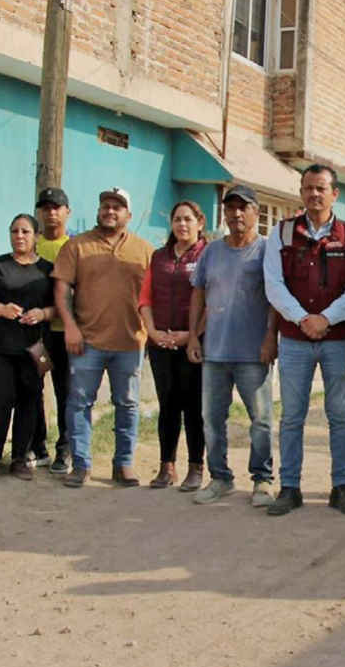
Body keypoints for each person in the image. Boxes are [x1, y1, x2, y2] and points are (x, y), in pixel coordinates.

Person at [263, 165, 345, 516]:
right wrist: (302, 319)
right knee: (292, 416)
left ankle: (341, 487)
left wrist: (326, 318)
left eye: (321, 188)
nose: (314, 194)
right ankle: (289, 487)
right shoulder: (282, 232)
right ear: (301, 192)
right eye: (308, 188)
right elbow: (273, 283)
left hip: (338, 339)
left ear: (334, 194)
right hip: (295, 340)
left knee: (340, 415)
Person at [52, 187, 153, 488]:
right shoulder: (77, 246)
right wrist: (70, 326)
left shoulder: (145, 250)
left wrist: (151, 332)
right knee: (79, 403)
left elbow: (153, 296)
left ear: (128, 215)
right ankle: (81, 464)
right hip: (87, 341)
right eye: (105, 206)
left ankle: (124, 463)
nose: (110, 211)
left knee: (128, 404)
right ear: (98, 211)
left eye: (117, 207)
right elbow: (61, 290)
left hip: (130, 342)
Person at [188, 185, 278, 507]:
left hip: (254, 353)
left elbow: (275, 298)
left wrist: (271, 336)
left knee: (261, 420)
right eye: (230, 208)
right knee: (212, 419)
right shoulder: (211, 252)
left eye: (243, 207)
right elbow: (198, 292)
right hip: (215, 352)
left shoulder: (267, 251)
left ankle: (262, 480)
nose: (236, 213)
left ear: (256, 212)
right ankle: (220, 478)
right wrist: (192, 336)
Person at [0, 215, 55, 481]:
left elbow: (59, 307)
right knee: (2, 400)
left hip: (32, 349)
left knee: (29, 400)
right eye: (14, 231)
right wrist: (1, 309)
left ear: (36, 236)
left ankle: (19, 459)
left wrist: (42, 313)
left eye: (25, 231)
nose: (19, 236)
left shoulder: (47, 270)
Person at [139, 201, 208, 489]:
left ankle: (195, 466)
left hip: (195, 344)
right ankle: (167, 466)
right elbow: (145, 298)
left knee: (194, 407)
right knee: (167, 406)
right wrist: (152, 332)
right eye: (177, 219)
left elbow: (212, 300)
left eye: (188, 219)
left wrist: (190, 335)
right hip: (161, 345)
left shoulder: (208, 255)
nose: (182, 224)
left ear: (200, 223)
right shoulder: (159, 257)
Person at [33, 187, 73, 474]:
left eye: (56, 207)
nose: (51, 213)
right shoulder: (31, 244)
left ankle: (65, 448)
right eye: (45, 208)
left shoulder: (73, 247)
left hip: (63, 333)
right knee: (32, 389)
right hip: (35, 334)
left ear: (67, 212)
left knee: (65, 392)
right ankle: (37, 446)